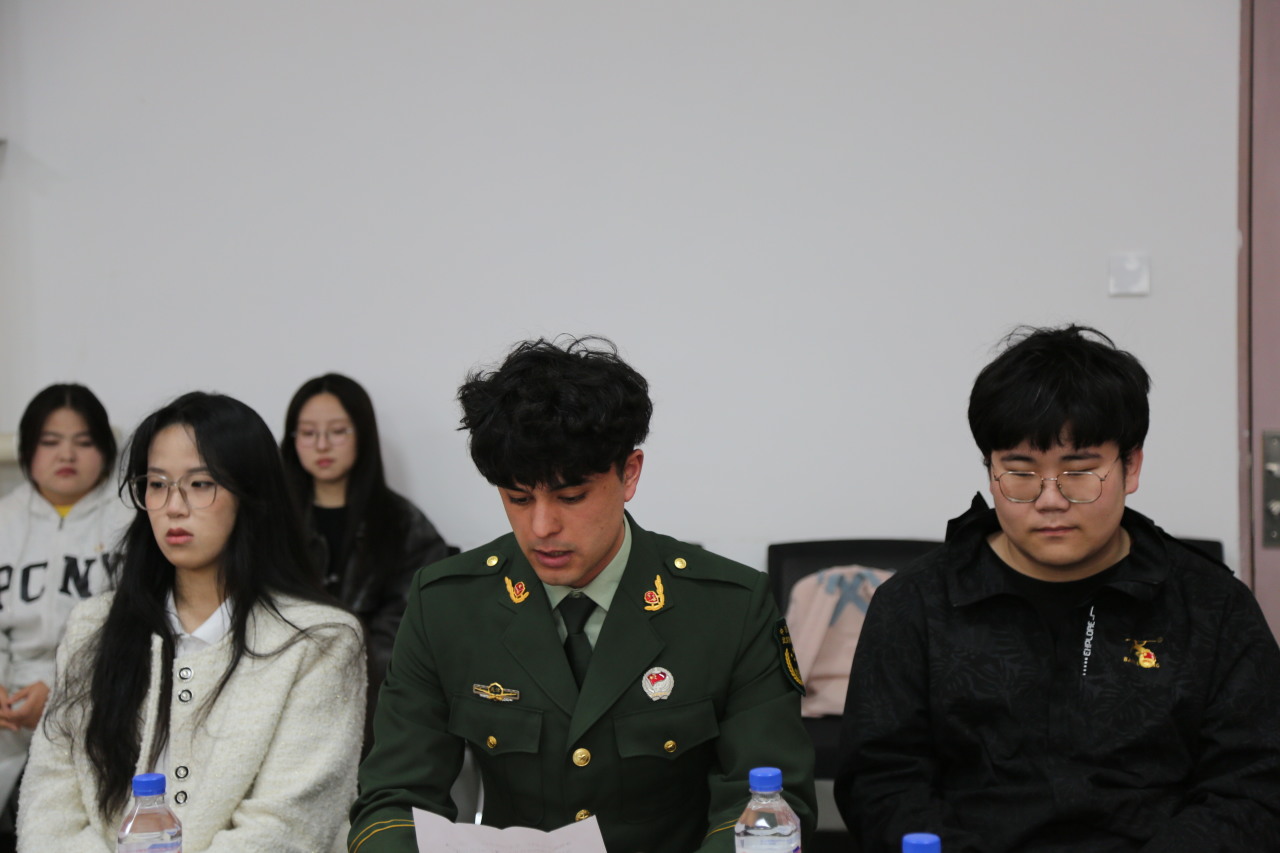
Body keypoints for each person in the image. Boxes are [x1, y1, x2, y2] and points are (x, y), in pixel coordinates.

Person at [348, 336, 816, 853]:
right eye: (518, 498)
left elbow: (766, 802)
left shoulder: (729, 608)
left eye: (571, 497)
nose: (541, 528)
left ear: (629, 474)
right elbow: (396, 798)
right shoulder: (448, 606)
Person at [834, 325, 1280, 852]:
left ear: (1131, 466)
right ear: (990, 470)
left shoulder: (1211, 605)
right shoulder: (916, 604)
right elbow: (881, 783)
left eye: (1079, 471)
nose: (1050, 500)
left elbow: (1254, 783)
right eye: (1020, 473)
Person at [19, 392, 365, 852]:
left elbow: (287, 827)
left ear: (252, 495)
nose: (173, 506)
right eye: (157, 484)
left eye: (200, 484)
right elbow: (48, 810)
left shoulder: (320, 640)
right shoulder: (94, 626)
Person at [281, 373, 448, 746]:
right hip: (285, 697)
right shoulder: (272, 522)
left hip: (375, 707)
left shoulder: (403, 524)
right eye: (307, 433)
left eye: (337, 431)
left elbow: (412, 626)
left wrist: (345, 664)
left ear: (363, 435)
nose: (322, 444)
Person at [0, 384, 130, 822]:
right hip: (9, 701)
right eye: (51, 442)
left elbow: (131, 629)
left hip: (93, 698)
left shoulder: (130, 520)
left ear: (106, 450)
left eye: (84, 442)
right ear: (28, 449)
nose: (67, 455)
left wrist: (61, 692)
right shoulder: (4, 520)